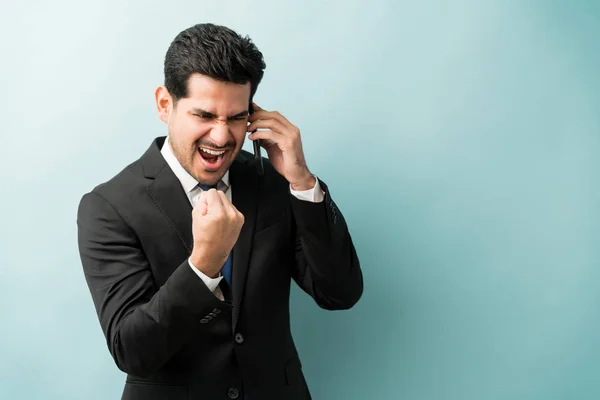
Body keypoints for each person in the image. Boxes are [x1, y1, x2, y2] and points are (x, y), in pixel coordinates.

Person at [77, 22, 363, 400]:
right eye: (205, 115)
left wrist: (302, 183)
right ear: (165, 104)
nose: (221, 136)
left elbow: (339, 293)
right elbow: (133, 350)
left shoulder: (272, 180)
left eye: (235, 118)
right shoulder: (108, 207)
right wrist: (203, 268)